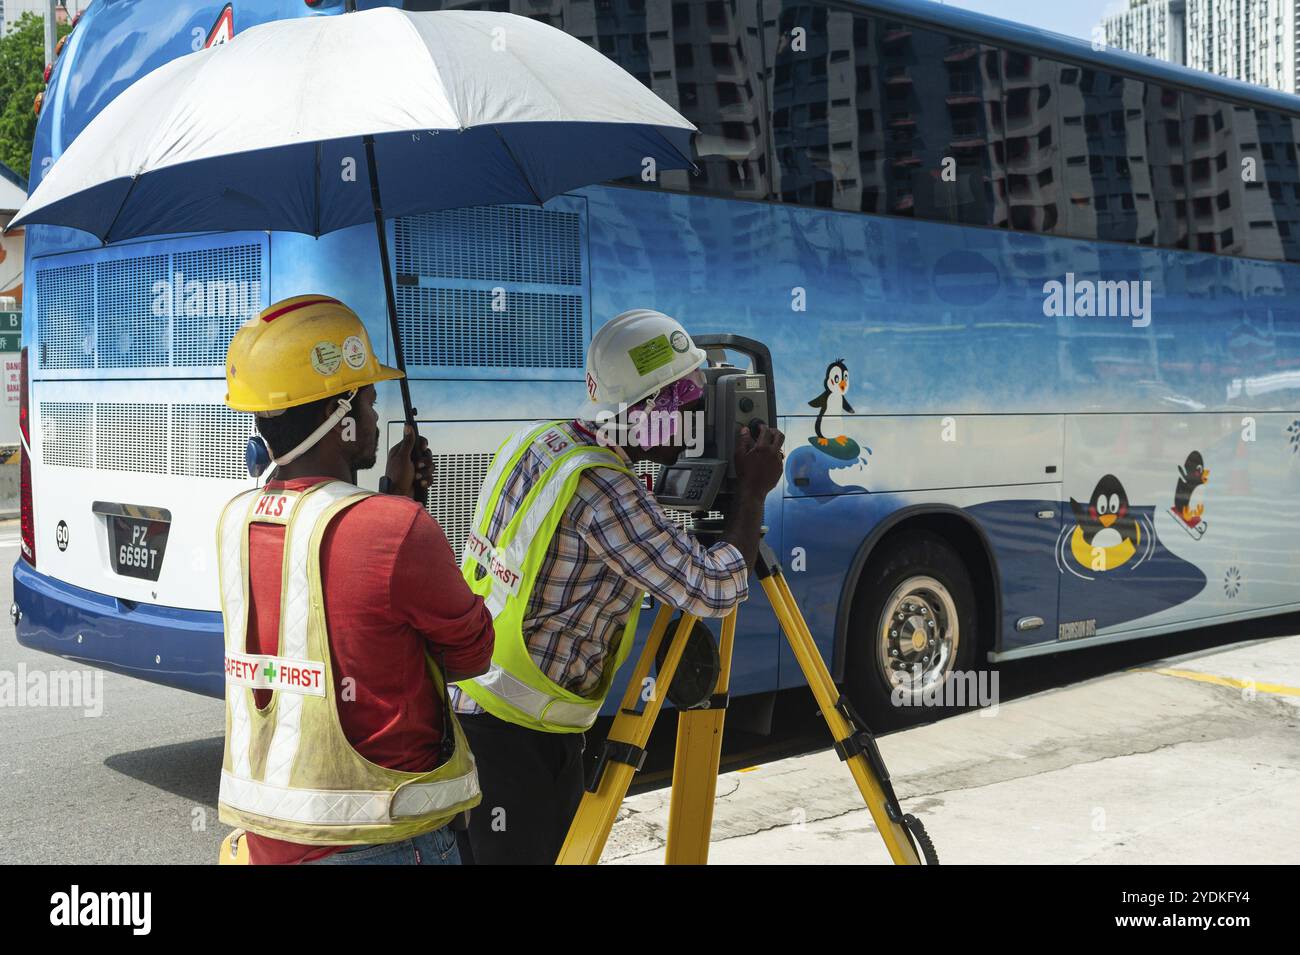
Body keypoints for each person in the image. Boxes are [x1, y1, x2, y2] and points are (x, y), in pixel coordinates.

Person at [451, 307, 785, 864]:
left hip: (471, 707)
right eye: (688, 411)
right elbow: (716, 588)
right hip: (517, 737)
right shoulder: (607, 491)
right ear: (651, 414)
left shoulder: (540, 442)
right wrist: (751, 495)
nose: (695, 426)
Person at [217, 294, 493, 865]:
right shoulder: (396, 530)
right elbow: (472, 656)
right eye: (366, 403)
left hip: (271, 837)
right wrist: (405, 517)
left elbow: (331, 588)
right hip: (381, 838)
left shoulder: (234, 520)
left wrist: (392, 502)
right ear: (336, 419)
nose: (373, 419)